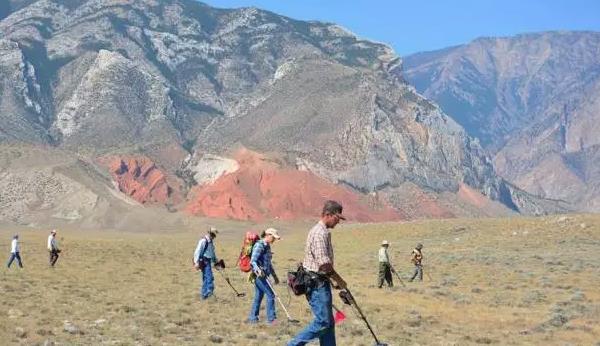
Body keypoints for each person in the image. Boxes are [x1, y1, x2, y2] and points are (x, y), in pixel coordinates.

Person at [288, 200, 347, 346]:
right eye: (337, 218)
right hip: (316, 285)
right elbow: (324, 265)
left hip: (320, 283)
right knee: (323, 322)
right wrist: (339, 281)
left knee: (328, 323)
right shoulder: (319, 233)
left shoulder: (322, 232)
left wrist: (333, 281)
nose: (338, 222)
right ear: (328, 214)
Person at [248, 228, 281, 324]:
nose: (274, 240)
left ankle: (253, 318)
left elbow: (269, 264)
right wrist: (259, 271)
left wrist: (275, 276)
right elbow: (252, 261)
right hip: (259, 276)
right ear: (268, 235)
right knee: (271, 295)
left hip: (265, 275)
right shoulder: (259, 245)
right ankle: (271, 319)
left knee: (258, 296)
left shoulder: (267, 247)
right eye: (273, 237)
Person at [193, 227, 220, 300]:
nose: (214, 237)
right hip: (204, 261)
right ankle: (209, 291)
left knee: (205, 278)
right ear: (210, 234)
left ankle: (203, 296)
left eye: (215, 235)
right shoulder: (203, 241)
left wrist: (215, 261)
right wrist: (196, 262)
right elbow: (197, 251)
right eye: (214, 235)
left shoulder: (210, 242)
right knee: (209, 277)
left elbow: (212, 253)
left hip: (208, 261)